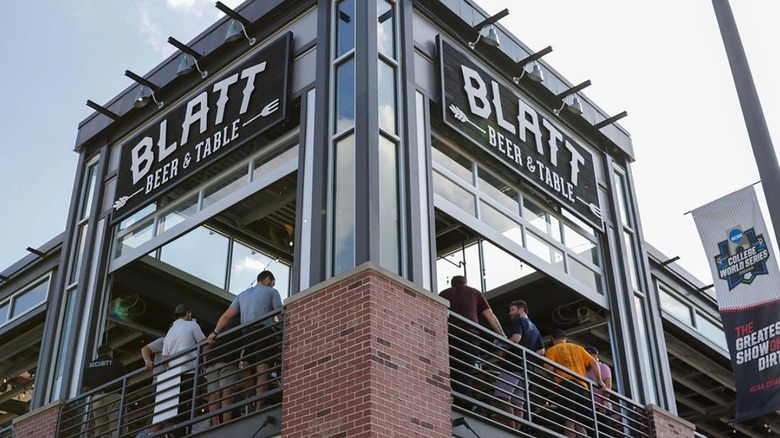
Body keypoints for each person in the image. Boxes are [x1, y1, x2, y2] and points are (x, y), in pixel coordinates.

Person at [207, 270, 282, 410]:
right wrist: (286, 329)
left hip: (247, 334)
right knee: (263, 368)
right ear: (267, 279)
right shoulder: (272, 292)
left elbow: (226, 316)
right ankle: (259, 407)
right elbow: (279, 312)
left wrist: (214, 332)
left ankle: (251, 393)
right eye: (273, 282)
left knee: (246, 364)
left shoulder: (242, 295)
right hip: (265, 332)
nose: (273, 285)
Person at [439, 275, 504, 406]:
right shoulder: (475, 292)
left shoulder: (444, 294)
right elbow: (489, 315)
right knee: (466, 369)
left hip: (451, 336)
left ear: (452, 284)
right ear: (466, 283)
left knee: (453, 369)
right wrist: (502, 335)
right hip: (470, 336)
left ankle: (458, 401)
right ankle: (466, 404)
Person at [493, 300, 545, 429]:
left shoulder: (518, 321)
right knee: (518, 401)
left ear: (521, 310)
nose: (509, 313)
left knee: (502, 395)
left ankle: (512, 427)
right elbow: (541, 351)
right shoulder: (535, 328)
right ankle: (517, 430)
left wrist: (501, 346)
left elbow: (516, 338)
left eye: (512, 310)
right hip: (527, 368)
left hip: (514, 363)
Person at [545, 329, 603, 438]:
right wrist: (599, 381)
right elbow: (594, 363)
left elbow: (549, 368)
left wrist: (555, 378)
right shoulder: (578, 348)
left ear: (553, 339)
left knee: (569, 421)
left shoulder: (551, 350)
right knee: (580, 424)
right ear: (565, 338)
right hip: (582, 387)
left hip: (565, 385)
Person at [162, 304, 207, 437]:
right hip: (190, 372)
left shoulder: (170, 332)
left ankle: (177, 433)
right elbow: (204, 343)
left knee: (179, 407)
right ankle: (190, 432)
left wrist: (172, 368)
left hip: (175, 375)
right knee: (194, 404)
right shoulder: (192, 325)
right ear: (187, 314)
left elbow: (164, 358)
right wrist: (205, 363)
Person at [82, 345, 126, 437]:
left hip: (97, 399)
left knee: (101, 429)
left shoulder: (89, 366)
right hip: (114, 396)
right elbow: (125, 382)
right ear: (109, 352)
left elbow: (85, 388)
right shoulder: (116, 363)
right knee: (117, 427)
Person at [203, 321, 241, 426]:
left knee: (213, 394)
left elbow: (205, 346)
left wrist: (205, 364)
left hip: (211, 364)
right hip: (227, 361)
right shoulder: (239, 324)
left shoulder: (217, 327)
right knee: (226, 392)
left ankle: (215, 423)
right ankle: (226, 423)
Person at [585, 346, 614, 434]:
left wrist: (603, 403)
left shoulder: (602, 367)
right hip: (590, 407)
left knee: (605, 432)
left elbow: (608, 385)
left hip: (601, 406)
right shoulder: (586, 371)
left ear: (593, 355)